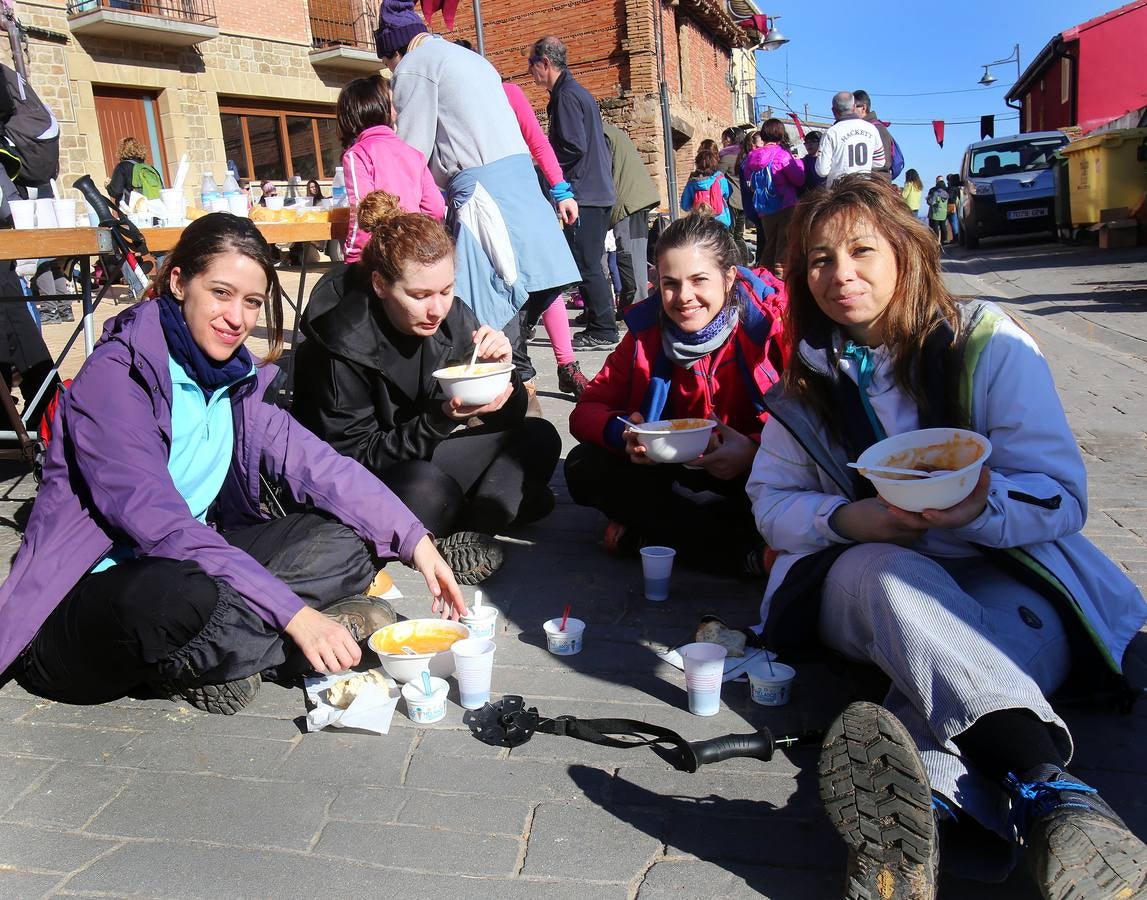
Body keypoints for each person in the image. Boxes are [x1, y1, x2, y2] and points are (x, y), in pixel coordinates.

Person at [746, 174, 1147, 898]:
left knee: (936, 685)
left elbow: (1060, 496)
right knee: (889, 574)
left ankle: (929, 816)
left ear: (906, 252)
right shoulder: (800, 388)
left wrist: (977, 512)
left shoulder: (986, 343)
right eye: (818, 260)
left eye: (861, 250)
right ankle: (1049, 787)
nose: (841, 275)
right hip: (867, 584)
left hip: (1012, 574)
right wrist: (845, 520)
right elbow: (768, 502)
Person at [0, 213, 468, 715]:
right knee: (174, 597)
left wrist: (416, 542)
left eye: (251, 302)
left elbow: (317, 465)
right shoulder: (116, 380)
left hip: (199, 564)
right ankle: (283, 650)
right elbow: (162, 529)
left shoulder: (230, 376)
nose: (237, 318)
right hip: (95, 598)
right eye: (221, 293)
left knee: (350, 538)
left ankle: (233, 651)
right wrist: (294, 614)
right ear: (178, 282)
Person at [291, 192, 562, 582]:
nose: (437, 309)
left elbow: (506, 415)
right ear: (381, 285)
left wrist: (505, 375)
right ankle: (497, 507)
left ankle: (475, 529)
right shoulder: (341, 344)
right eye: (419, 296)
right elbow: (352, 457)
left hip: (428, 451)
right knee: (427, 493)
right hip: (369, 474)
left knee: (539, 437)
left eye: (446, 290)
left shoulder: (452, 316)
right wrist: (439, 419)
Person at [565, 212, 786, 576]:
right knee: (583, 466)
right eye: (670, 283)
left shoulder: (768, 325)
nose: (684, 298)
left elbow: (812, 425)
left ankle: (657, 537)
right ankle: (735, 551)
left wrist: (754, 451)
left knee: (782, 495)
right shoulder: (645, 333)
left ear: (729, 277)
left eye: (699, 280)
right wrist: (625, 435)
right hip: (671, 471)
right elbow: (586, 410)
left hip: (756, 473)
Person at [376, 5, 579, 391]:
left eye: (387, 62)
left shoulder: (415, 67)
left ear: (394, 51)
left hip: (486, 202)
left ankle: (511, 407)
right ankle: (521, 397)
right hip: (524, 197)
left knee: (486, 321)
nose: (390, 71)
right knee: (514, 315)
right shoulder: (472, 60)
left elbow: (410, 156)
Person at [498, 70, 586, 400]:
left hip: (523, 191)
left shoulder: (506, 92)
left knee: (549, 280)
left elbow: (537, 141)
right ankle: (522, 378)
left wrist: (562, 191)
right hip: (480, 200)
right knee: (504, 289)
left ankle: (567, 366)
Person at [529, 35, 619, 351]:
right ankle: (597, 317)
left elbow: (571, 146)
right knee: (589, 260)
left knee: (586, 262)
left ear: (545, 63)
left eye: (532, 66)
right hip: (596, 190)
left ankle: (604, 328)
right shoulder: (575, 93)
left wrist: (544, 166)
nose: (531, 74)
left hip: (584, 193)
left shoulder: (566, 96)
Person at [338, 74, 445, 265]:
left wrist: (353, 258)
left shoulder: (357, 155)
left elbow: (362, 213)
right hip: (412, 253)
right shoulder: (414, 153)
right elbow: (435, 207)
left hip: (379, 255)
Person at [602, 121, 660, 320]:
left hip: (628, 202)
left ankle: (636, 310)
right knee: (632, 254)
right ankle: (635, 307)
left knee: (629, 255)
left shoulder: (602, 135)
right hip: (635, 200)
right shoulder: (610, 132)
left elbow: (601, 173)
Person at [742, 118, 804, 273]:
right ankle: (780, 281)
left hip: (764, 207)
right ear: (780, 134)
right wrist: (799, 163)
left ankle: (764, 278)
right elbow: (799, 179)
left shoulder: (752, 157)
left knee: (769, 244)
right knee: (783, 245)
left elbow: (748, 179)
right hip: (785, 205)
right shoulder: (782, 155)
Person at [816, 92, 886, 187]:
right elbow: (879, 162)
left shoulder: (831, 133)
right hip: (863, 188)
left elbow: (822, 170)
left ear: (833, 110)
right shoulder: (872, 129)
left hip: (839, 191)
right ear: (853, 107)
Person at [718, 127, 750, 264]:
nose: (722, 141)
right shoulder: (745, 155)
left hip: (732, 201)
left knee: (730, 235)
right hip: (744, 201)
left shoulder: (727, 157)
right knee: (739, 235)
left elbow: (716, 175)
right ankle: (744, 263)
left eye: (724, 138)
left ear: (730, 139)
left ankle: (733, 264)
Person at [680, 145, 732, 228]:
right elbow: (727, 194)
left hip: (700, 223)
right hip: (720, 221)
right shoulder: (720, 178)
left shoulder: (692, 182)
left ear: (697, 163)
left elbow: (684, 205)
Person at [107, 137, 162, 207]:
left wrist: (108, 186)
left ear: (121, 150)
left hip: (133, 211)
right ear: (140, 149)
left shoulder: (122, 167)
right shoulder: (150, 168)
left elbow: (116, 192)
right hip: (153, 209)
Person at [852, 89, 894, 179]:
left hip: (876, 183)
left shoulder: (877, 129)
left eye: (853, 108)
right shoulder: (862, 128)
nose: (850, 111)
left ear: (863, 108)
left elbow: (884, 163)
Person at [799, 131, 826, 196]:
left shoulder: (826, 160)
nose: (809, 144)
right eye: (807, 142)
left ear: (821, 142)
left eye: (813, 141)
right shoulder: (803, 162)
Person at [926, 175, 949, 244]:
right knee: (943, 226)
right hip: (944, 212)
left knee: (935, 227)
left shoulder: (934, 192)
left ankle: (935, 241)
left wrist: (929, 200)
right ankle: (944, 240)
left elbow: (931, 202)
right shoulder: (946, 193)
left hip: (935, 213)